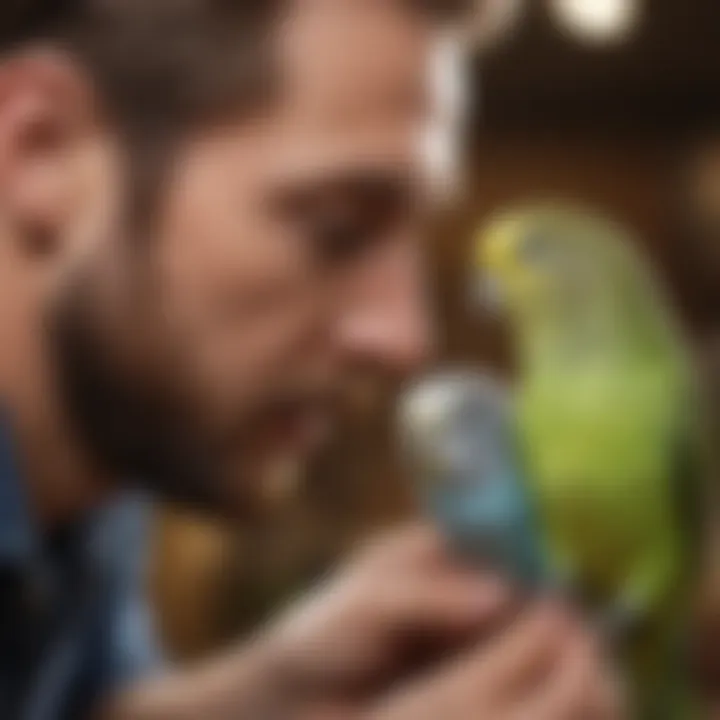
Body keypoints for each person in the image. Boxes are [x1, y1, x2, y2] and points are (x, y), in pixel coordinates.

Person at [0, 1, 623, 718]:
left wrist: (266, 692)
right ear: (40, 149)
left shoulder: (107, 447)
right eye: (337, 229)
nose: (405, 340)